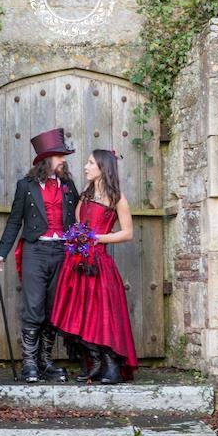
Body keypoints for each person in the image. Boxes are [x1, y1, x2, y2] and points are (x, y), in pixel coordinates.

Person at [0, 128, 79, 383]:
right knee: (34, 306)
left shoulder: (69, 186)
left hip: (62, 252)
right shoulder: (25, 186)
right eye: (60, 155)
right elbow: (14, 222)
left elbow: (77, 219)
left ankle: (45, 361)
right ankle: (29, 362)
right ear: (46, 159)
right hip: (35, 251)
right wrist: (1, 255)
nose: (64, 160)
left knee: (53, 307)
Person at [51, 149, 138, 384]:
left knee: (103, 313)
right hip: (78, 262)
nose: (86, 167)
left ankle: (111, 365)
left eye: (90, 163)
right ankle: (95, 361)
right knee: (80, 311)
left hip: (99, 263)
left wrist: (97, 238)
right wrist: (78, 239)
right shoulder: (85, 195)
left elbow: (128, 233)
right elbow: (79, 224)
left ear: (103, 167)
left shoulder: (118, 198)